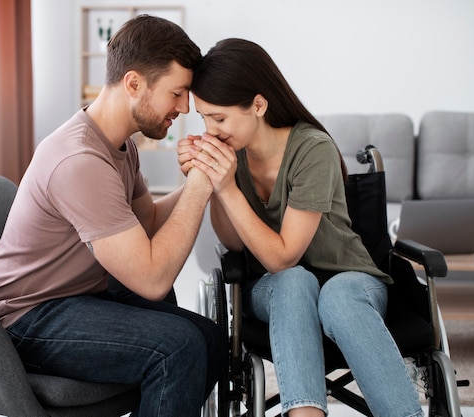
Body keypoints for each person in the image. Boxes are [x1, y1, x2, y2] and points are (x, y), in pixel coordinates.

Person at [0, 15, 227, 417]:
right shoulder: (81, 160)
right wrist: (199, 187)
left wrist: (203, 181)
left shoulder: (120, 145)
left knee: (211, 340)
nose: (184, 107)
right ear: (133, 84)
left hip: (78, 294)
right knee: (178, 347)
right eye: (177, 93)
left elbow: (145, 225)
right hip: (28, 319)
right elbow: (150, 278)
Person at [177, 38, 423, 417]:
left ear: (258, 105)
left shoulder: (313, 149)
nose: (210, 130)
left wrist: (226, 185)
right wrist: (211, 184)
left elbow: (282, 254)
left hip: (350, 281)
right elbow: (232, 242)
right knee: (294, 281)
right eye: (204, 118)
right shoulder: (232, 153)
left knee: (332, 293)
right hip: (276, 290)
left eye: (219, 118)